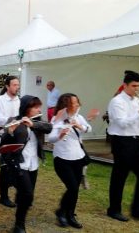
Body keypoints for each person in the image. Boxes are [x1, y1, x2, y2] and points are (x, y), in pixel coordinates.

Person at [106, 70, 139, 223]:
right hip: (121, 141)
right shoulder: (117, 101)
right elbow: (122, 123)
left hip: (137, 141)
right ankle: (114, 210)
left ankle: (138, 210)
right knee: (120, 177)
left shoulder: (138, 101)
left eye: (138, 86)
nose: (137, 89)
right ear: (125, 85)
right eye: (134, 86)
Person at [0, 95, 52, 232]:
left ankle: (20, 210)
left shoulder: (38, 122)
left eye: (38, 107)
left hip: (33, 163)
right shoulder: (14, 120)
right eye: (35, 107)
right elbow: (1, 141)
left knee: (28, 195)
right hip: (19, 162)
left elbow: (49, 127)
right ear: (26, 108)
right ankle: (19, 225)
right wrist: (10, 131)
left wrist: (33, 124)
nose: (38, 109)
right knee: (27, 194)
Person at [48, 93, 92, 229]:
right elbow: (50, 139)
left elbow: (89, 129)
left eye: (78, 102)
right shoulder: (57, 119)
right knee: (72, 187)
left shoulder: (79, 117)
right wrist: (59, 136)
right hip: (62, 159)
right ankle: (61, 212)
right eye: (74, 103)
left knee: (75, 189)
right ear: (66, 105)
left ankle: (70, 214)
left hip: (78, 157)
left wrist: (80, 126)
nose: (77, 105)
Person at [0, 76, 21, 207]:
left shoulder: (18, 100)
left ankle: (19, 192)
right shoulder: (0, 100)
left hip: (16, 135)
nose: (17, 87)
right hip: (4, 137)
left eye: (18, 85)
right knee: (5, 167)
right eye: (15, 85)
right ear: (7, 86)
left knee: (17, 165)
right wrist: (15, 119)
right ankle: (3, 196)